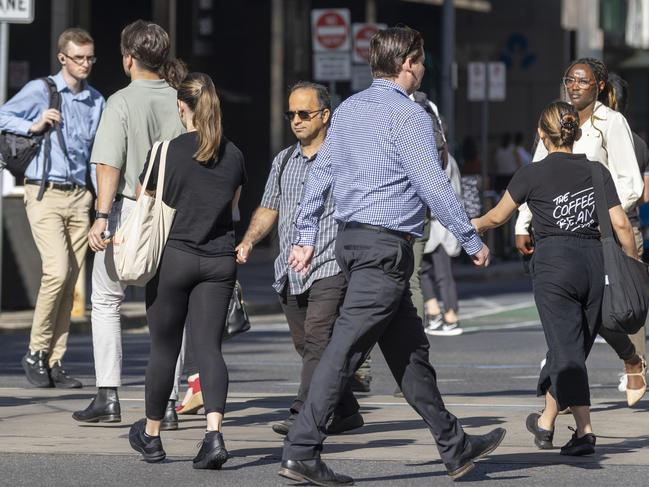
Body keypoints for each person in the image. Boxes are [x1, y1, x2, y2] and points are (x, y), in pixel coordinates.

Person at [279, 27, 505, 485]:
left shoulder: (349, 110)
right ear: (408, 63)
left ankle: (453, 444)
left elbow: (319, 173)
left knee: (409, 354)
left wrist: (305, 236)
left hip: (354, 243)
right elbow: (433, 185)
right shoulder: (410, 116)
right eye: (421, 62)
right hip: (385, 248)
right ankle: (302, 450)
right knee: (343, 351)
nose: (424, 70)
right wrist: (472, 239)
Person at [473, 101, 638, 456]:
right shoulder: (597, 172)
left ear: (540, 132)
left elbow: (496, 218)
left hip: (554, 266)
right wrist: (633, 264)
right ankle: (546, 422)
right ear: (575, 134)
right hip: (594, 265)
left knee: (566, 350)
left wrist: (465, 226)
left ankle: (585, 432)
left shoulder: (531, 173)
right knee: (571, 347)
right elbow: (622, 223)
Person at [127, 72, 246, 468]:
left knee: (164, 348)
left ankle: (152, 435)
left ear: (182, 107)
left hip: (174, 258)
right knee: (209, 348)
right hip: (219, 259)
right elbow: (232, 210)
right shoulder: (234, 155)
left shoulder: (166, 152)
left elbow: (145, 201)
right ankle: (213, 436)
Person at [514, 58, 646, 407]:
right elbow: (539, 175)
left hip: (605, 232)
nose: (574, 86)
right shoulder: (557, 119)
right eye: (569, 80)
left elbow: (630, 183)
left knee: (602, 311)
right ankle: (573, 375)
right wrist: (521, 222)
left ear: (599, 86)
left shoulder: (612, 123)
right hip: (558, 232)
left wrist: (601, 211)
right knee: (570, 310)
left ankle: (619, 362)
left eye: (582, 81)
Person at [72, 20, 186, 425]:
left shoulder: (119, 102)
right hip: (176, 214)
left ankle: (108, 395)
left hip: (128, 211)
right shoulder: (181, 100)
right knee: (172, 308)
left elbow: (109, 163)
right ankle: (169, 402)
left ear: (128, 58)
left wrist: (101, 217)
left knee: (106, 300)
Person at [236, 82, 363, 437]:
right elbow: (268, 207)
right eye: (290, 113)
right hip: (289, 270)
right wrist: (247, 241)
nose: (296, 120)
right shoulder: (284, 160)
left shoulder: (344, 159)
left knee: (318, 339)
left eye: (303, 113)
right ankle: (348, 409)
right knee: (306, 345)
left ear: (325, 116)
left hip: (329, 265)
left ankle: (303, 413)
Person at [0, 28, 105, 388]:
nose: (85, 64)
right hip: (44, 192)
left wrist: (101, 204)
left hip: (80, 197)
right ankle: (35, 351)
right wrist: (34, 123)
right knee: (57, 272)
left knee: (72, 283)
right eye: (79, 58)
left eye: (90, 57)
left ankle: (55, 360)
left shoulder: (96, 100)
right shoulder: (41, 90)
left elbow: (96, 156)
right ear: (63, 58)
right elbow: (2, 117)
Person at [605, 73, 649, 387]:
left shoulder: (599, 133)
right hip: (630, 224)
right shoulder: (639, 141)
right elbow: (645, 193)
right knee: (632, 299)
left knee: (587, 298)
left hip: (601, 226)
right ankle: (638, 365)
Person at [422, 149, 463, 336]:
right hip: (431, 225)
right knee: (422, 271)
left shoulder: (443, 159)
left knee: (442, 273)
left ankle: (450, 315)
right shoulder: (440, 157)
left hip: (440, 226)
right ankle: (434, 311)